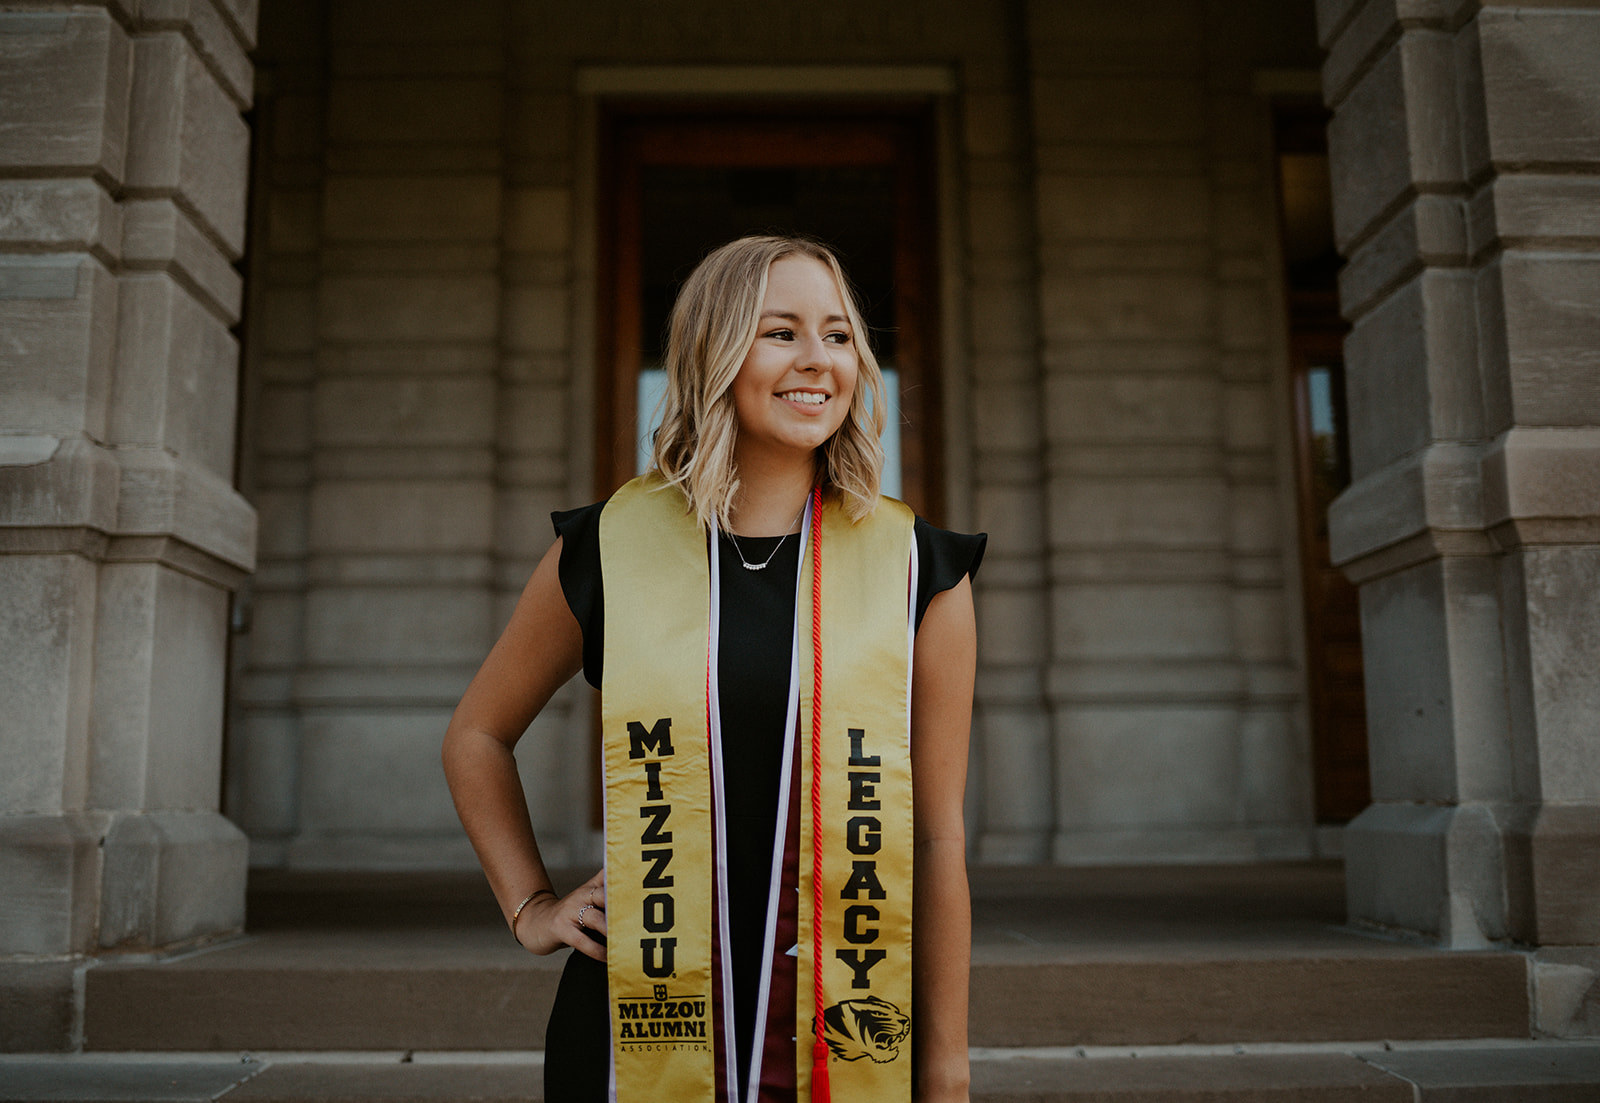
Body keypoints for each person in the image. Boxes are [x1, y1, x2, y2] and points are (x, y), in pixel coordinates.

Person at [442, 235, 982, 1103]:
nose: (818, 361)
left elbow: (938, 838)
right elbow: (476, 733)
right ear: (714, 353)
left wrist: (947, 1065)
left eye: (839, 335)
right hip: (640, 1021)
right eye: (782, 332)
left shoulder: (918, 568)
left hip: (845, 1029)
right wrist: (533, 907)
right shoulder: (608, 547)